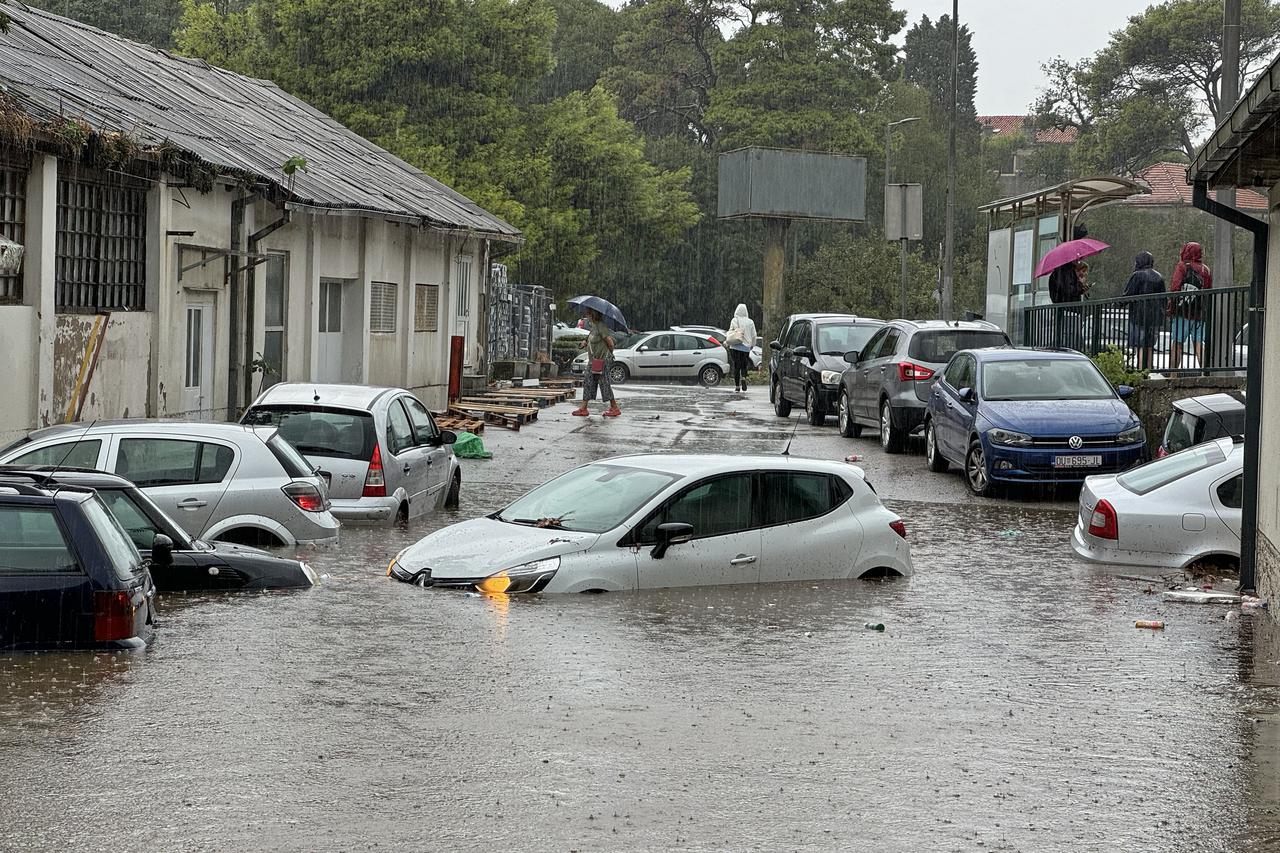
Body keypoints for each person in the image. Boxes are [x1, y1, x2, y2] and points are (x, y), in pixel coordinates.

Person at [1168, 241, 1212, 372]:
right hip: (1199, 313)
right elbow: (1209, 290)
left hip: (1182, 311)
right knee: (1199, 343)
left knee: (1177, 343)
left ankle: (1173, 374)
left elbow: (1175, 287)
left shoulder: (1182, 266)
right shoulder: (1206, 270)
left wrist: (1171, 305)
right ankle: (1205, 373)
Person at [572, 309, 621, 418]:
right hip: (593, 361)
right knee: (588, 382)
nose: (586, 316)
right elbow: (593, 340)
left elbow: (610, 343)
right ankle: (583, 408)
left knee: (604, 383)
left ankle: (614, 408)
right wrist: (585, 342)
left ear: (593, 315)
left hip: (601, 361)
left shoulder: (601, 326)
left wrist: (608, 354)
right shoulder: (593, 327)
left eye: (588, 314)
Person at [1123, 251, 1165, 370]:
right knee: (1149, 345)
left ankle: (1141, 370)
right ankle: (1149, 369)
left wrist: (1120, 303)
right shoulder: (1159, 276)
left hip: (1139, 316)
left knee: (1140, 345)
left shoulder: (1137, 275)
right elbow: (1163, 297)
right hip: (1155, 318)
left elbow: (1128, 294)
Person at [724, 303, 757, 392]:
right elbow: (754, 335)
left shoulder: (734, 320)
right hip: (746, 347)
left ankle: (737, 386)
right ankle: (743, 378)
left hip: (734, 346)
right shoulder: (750, 322)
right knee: (744, 365)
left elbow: (731, 332)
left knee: (736, 366)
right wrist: (752, 345)